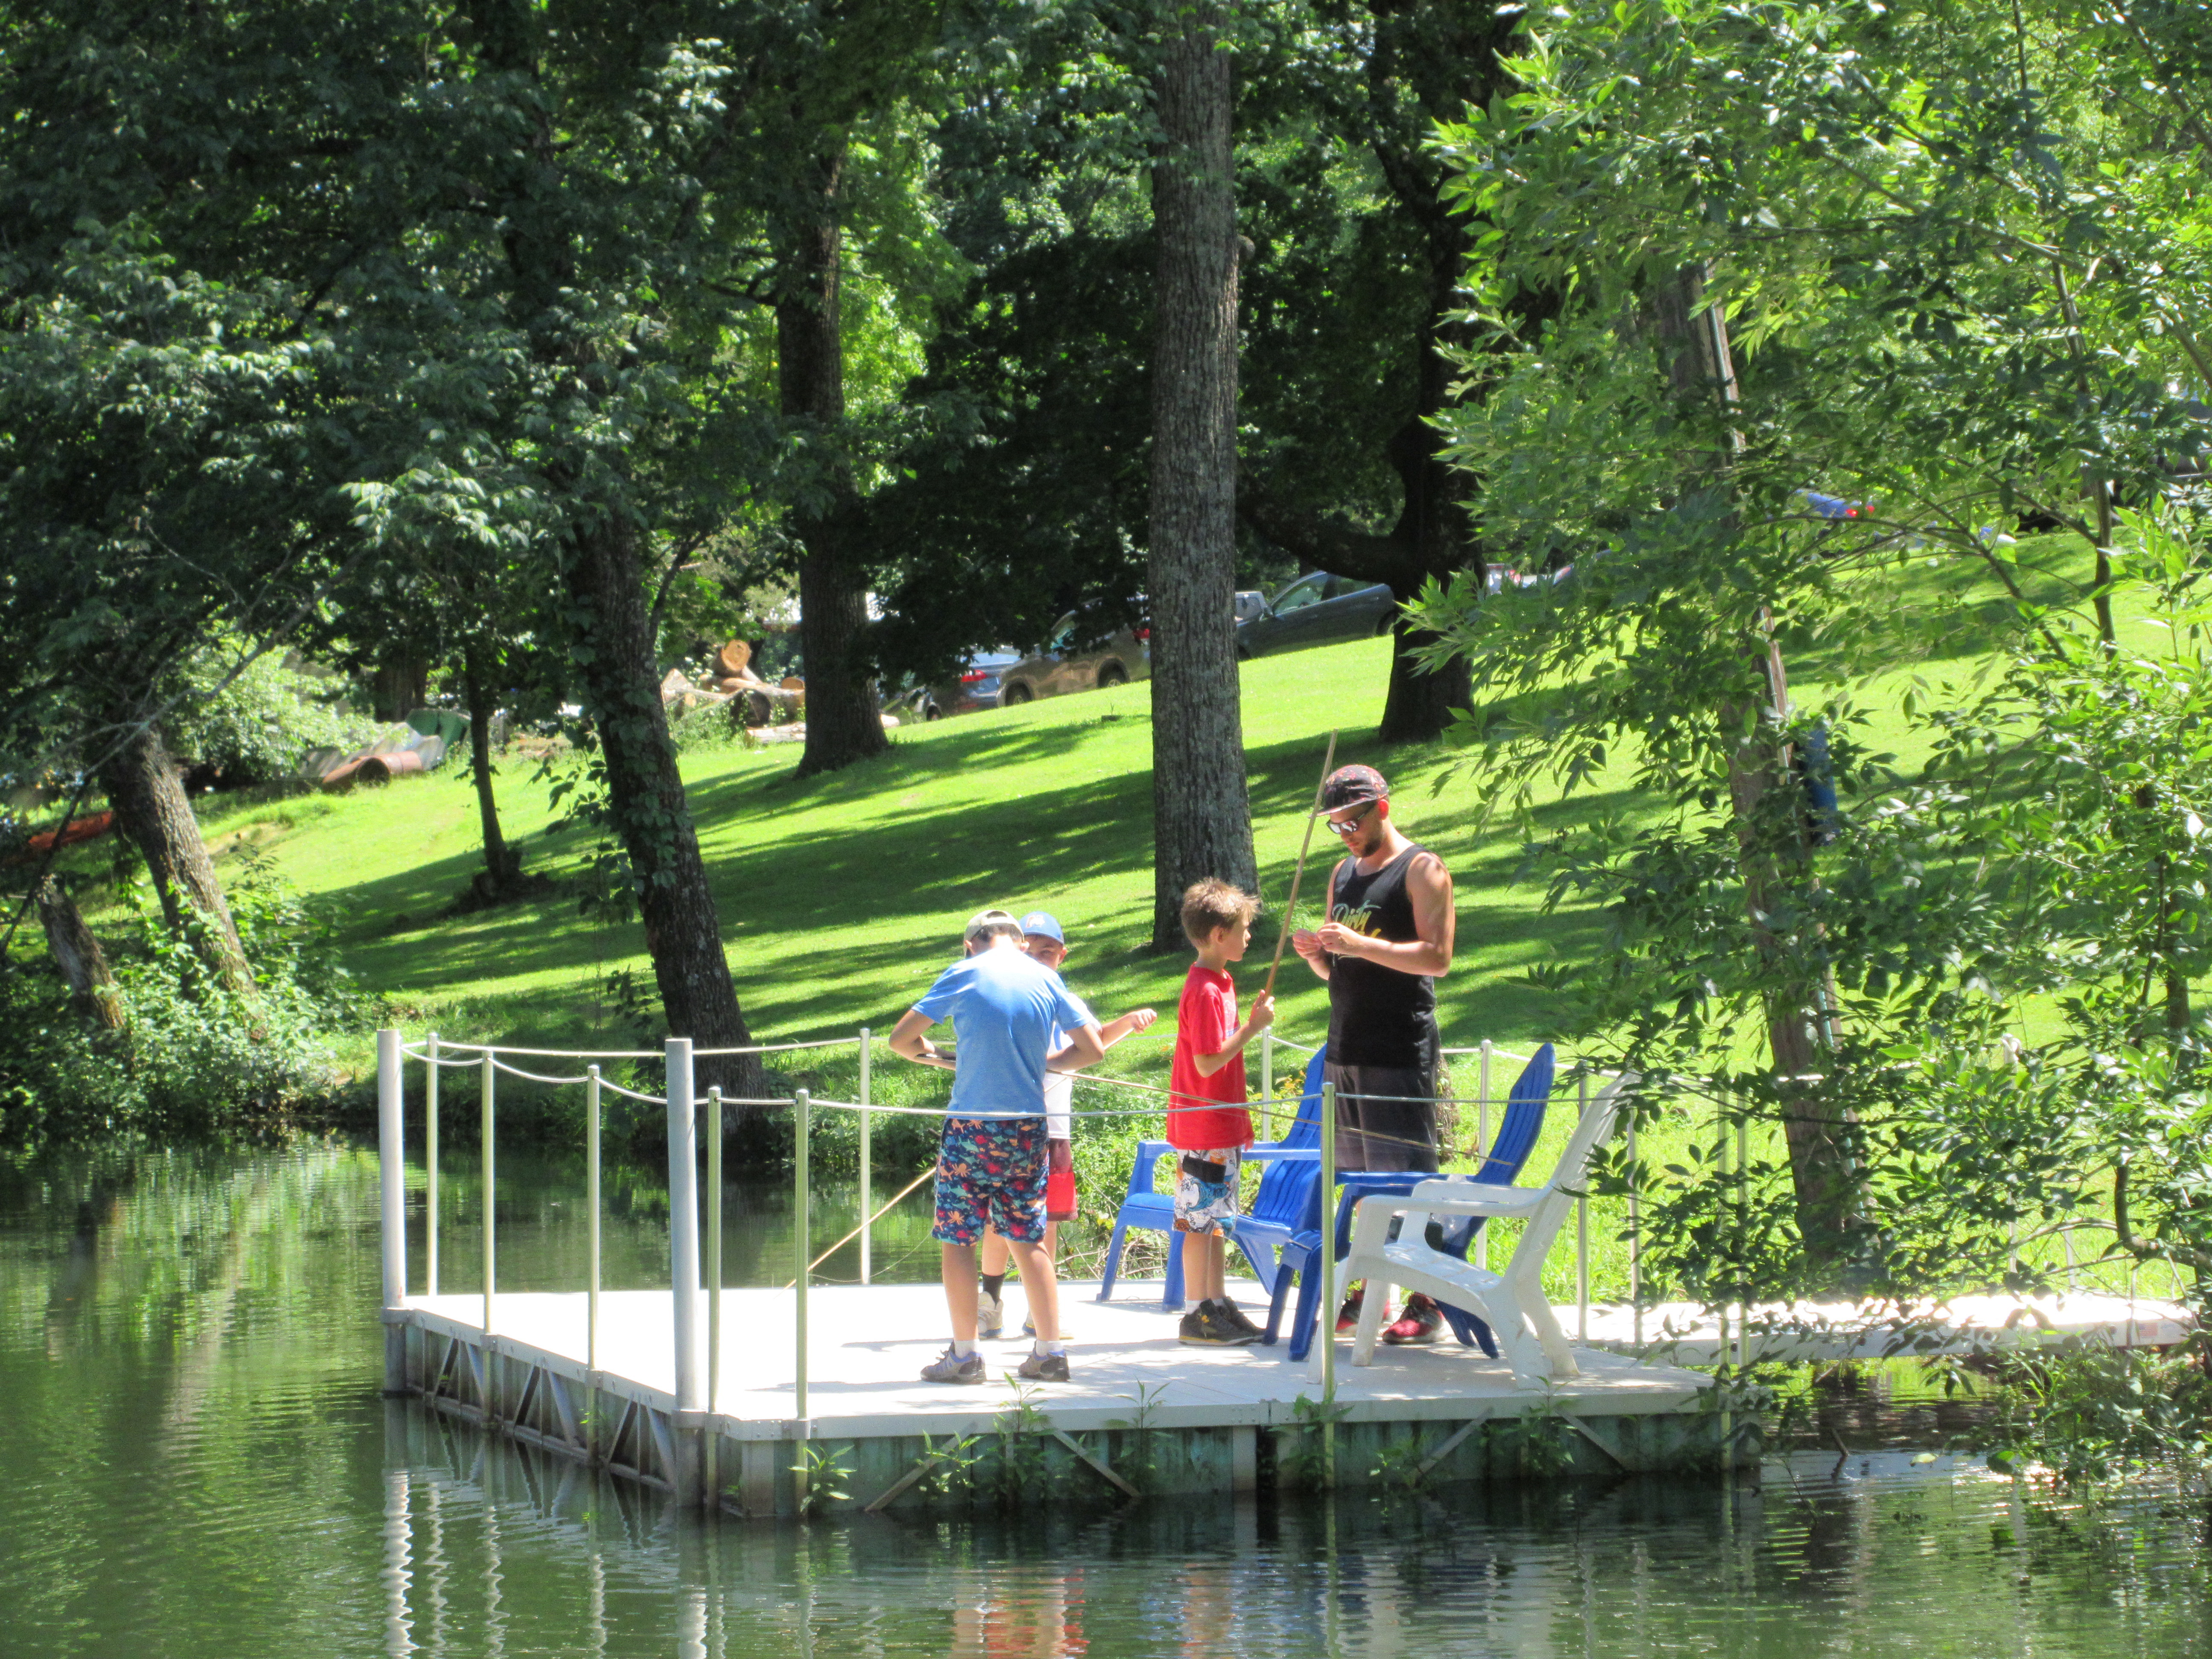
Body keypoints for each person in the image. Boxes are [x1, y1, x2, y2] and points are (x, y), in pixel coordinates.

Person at [890, 908, 1106, 1384]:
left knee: (958, 1239)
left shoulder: (963, 971)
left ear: (972, 943)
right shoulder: (1046, 978)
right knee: (1028, 1238)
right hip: (1030, 1128)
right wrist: (1046, 1065)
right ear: (1020, 942)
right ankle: (1049, 1354)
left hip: (973, 1128)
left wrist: (944, 1058)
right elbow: (1092, 1050)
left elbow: (901, 1041)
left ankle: (966, 1357)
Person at [1289, 763, 1456, 1345]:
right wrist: (1318, 955)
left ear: (1382, 808)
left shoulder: (1423, 870)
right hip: (1345, 1049)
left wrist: (1364, 944)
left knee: (1411, 1183)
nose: (1346, 835)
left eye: (1352, 823)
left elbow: (1437, 959)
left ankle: (1427, 1300)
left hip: (1397, 1050)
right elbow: (1341, 970)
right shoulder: (1343, 873)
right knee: (1361, 1185)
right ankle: (1368, 1293)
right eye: (1336, 827)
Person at [976, 910, 1157, 1341]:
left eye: (1048, 953)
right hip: (1009, 1125)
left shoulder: (1065, 1000)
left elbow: (1093, 1042)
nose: (1039, 960)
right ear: (1016, 950)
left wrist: (1127, 1024)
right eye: (1031, 951)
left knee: (1048, 1223)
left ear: (1062, 956)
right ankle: (990, 1303)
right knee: (997, 1222)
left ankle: (1042, 1309)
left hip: (1055, 1134)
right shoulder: (1008, 997)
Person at [1167, 878, 1275, 1345]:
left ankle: (1217, 1302)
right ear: (1217, 935)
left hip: (1221, 1124)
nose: (1248, 936)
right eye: (1243, 928)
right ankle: (1196, 1313)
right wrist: (1253, 1028)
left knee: (1216, 1222)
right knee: (1199, 1221)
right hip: (1205, 1126)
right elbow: (1207, 1061)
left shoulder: (1222, 982)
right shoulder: (1208, 991)